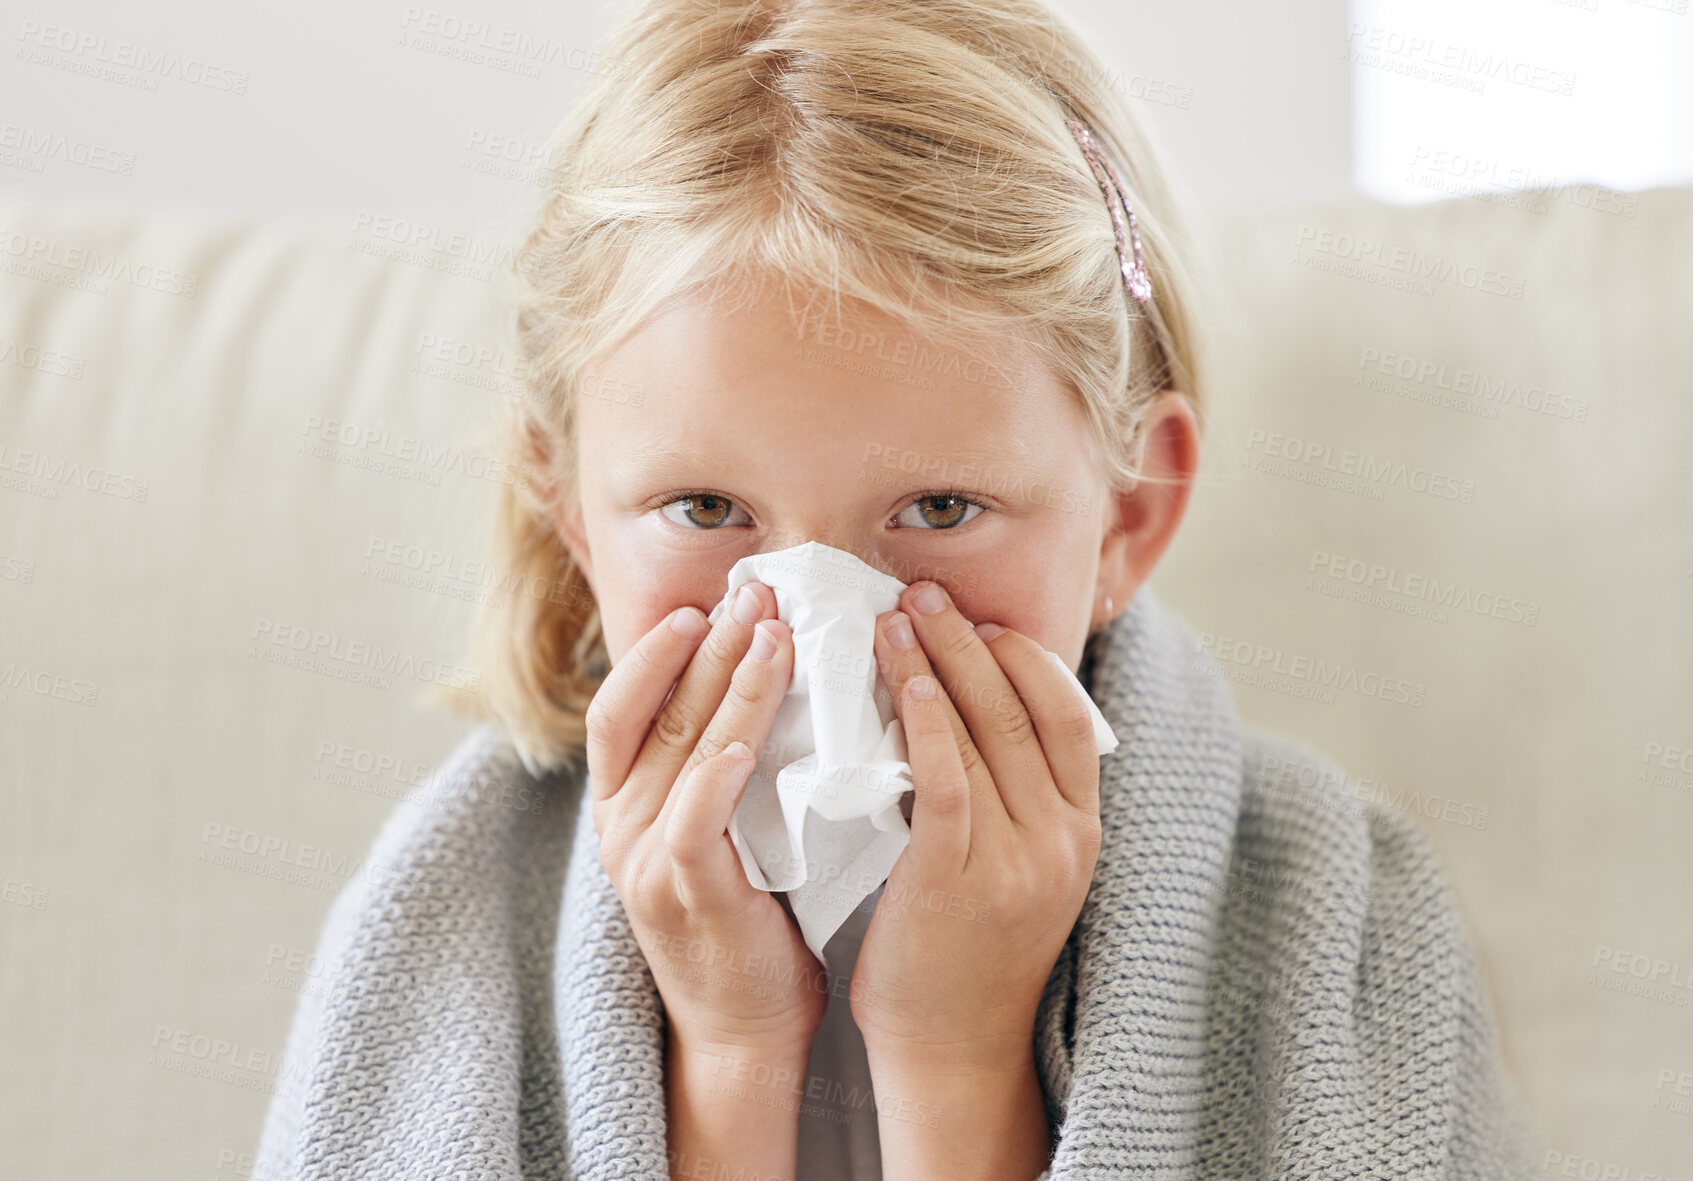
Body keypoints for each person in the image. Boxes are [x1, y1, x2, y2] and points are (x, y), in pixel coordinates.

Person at [254, 0, 1541, 1177]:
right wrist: (734, 1054)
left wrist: (955, 1057)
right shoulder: (438, 927)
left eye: (937, 509)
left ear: (1127, 517)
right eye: (707, 510)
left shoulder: (1340, 913)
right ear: (571, 511)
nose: (821, 631)